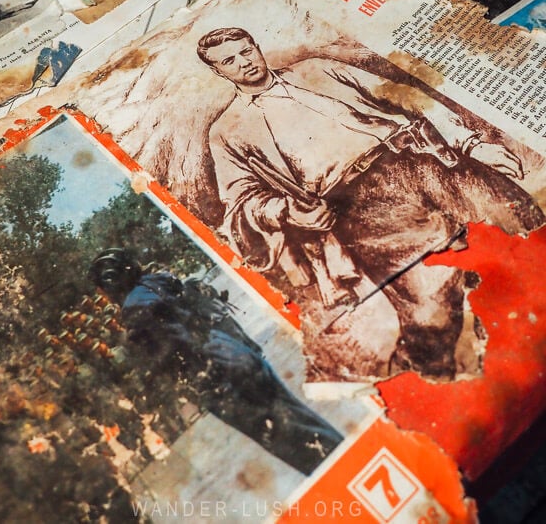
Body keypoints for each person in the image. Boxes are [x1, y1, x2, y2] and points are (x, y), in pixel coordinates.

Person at [196, 27, 544, 376]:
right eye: (229, 61)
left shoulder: (316, 69)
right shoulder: (228, 132)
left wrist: (468, 142)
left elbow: (403, 97)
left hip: (418, 161)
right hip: (357, 211)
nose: (244, 63)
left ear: (256, 45)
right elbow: (241, 199)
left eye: (246, 51)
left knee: (516, 214)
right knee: (431, 308)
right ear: (217, 72)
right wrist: (286, 211)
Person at [89, 248, 343, 475]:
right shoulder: (156, 281)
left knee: (289, 444)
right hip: (236, 352)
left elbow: (172, 349)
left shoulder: (134, 309)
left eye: (101, 287)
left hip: (219, 377)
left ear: (111, 283)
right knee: (300, 419)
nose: (101, 294)